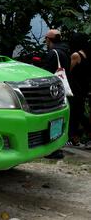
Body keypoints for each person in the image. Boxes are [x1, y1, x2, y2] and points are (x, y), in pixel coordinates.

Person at [42, 29, 71, 159]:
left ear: (49, 39)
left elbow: (46, 73)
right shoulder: (65, 51)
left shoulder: (53, 53)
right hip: (60, 90)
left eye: (46, 39)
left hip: (51, 91)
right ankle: (57, 147)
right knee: (58, 117)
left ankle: (53, 149)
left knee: (48, 119)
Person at [67, 33, 90, 147]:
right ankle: (74, 138)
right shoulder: (86, 54)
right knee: (78, 113)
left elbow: (69, 71)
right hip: (83, 88)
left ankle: (72, 137)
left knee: (76, 113)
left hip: (75, 88)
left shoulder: (76, 55)